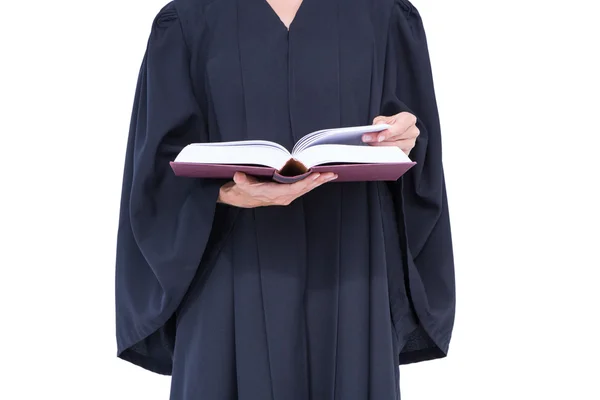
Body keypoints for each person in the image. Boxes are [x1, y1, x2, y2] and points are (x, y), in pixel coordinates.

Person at [114, 0, 455, 398]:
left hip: (352, 274)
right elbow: (154, 168)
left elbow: (417, 155)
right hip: (228, 275)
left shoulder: (385, 16)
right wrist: (225, 193)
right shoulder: (189, 19)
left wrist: (406, 137)